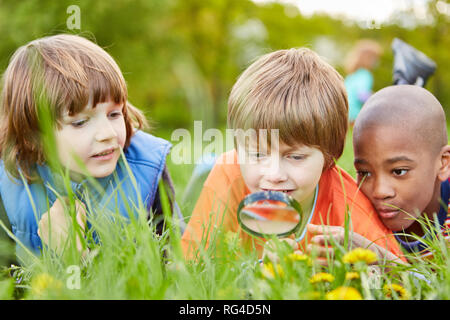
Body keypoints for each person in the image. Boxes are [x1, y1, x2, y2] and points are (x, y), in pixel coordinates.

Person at [181, 48, 403, 261]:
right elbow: (188, 269)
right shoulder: (229, 174)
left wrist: (372, 259)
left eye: (295, 157)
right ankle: (202, 172)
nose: (274, 174)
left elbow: (409, 277)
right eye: (257, 154)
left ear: (329, 156)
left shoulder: (347, 207)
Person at [0, 34, 184, 261]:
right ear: (32, 136)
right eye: (80, 122)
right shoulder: (9, 187)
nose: (107, 134)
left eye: (114, 114)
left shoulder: (147, 169)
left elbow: (174, 269)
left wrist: (78, 262)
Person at [351, 85, 450, 260]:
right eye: (365, 173)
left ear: (443, 164)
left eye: (399, 171)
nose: (380, 191)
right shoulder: (356, 217)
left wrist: (388, 264)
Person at [344, 39, 382, 124]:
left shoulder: (352, 75)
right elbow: (361, 95)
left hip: (343, 112)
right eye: (375, 58)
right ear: (368, 58)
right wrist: (378, 98)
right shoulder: (365, 74)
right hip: (353, 115)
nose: (376, 62)